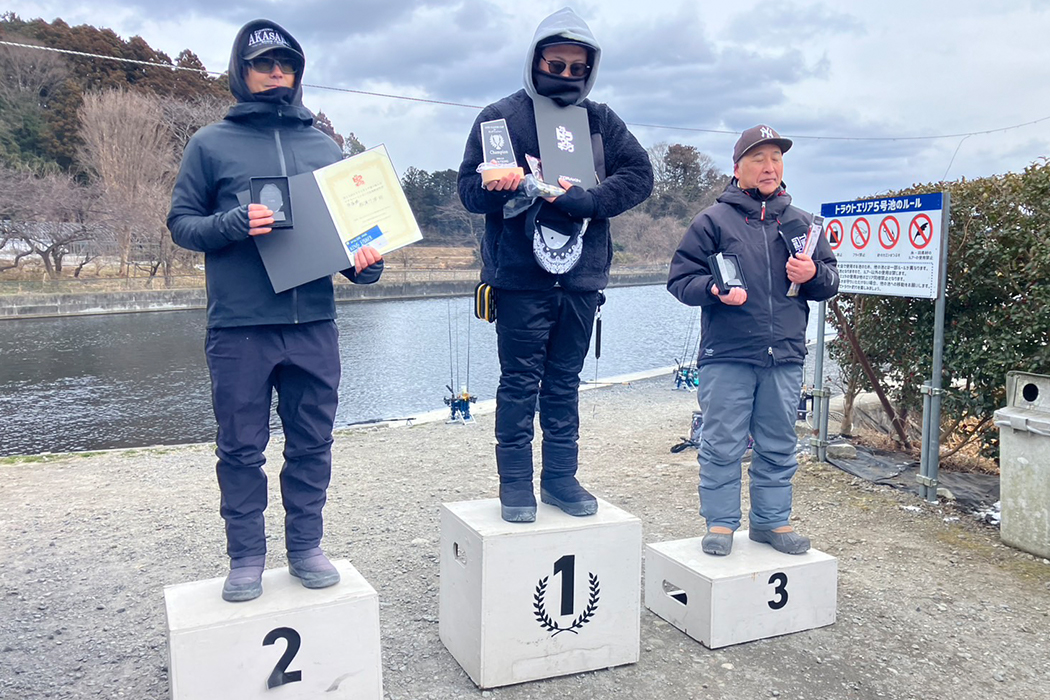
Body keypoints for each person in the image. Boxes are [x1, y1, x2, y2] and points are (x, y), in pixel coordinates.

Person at [167, 20, 384, 601]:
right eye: (263, 64)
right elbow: (182, 224)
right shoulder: (210, 144)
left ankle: (306, 546)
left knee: (312, 443)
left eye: (286, 64)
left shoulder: (326, 148)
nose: (276, 73)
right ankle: (245, 557)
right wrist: (232, 224)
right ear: (241, 71)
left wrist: (366, 265)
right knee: (240, 449)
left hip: (314, 323)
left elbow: (350, 241)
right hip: (239, 326)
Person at [457, 8, 653, 523]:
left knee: (565, 383)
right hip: (519, 279)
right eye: (556, 64)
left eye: (577, 67)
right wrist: (497, 187)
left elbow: (640, 175)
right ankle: (515, 484)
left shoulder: (601, 120)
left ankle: (561, 478)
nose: (566, 74)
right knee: (519, 383)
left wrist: (592, 200)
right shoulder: (500, 117)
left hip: (582, 279)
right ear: (535, 60)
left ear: (590, 69)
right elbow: (468, 192)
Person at [667, 125, 838, 556]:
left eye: (776, 158)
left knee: (779, 443)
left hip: (785, 355)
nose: (769, 166)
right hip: (727, 354)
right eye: (758, 158)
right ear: (737, 167)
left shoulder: (802, 223)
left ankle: (771, 521)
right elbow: (680, 279)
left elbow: (831, 281)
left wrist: (813, 273)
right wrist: (713, 289)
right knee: (722, 443)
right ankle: (720, 524)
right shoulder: (712, 221)